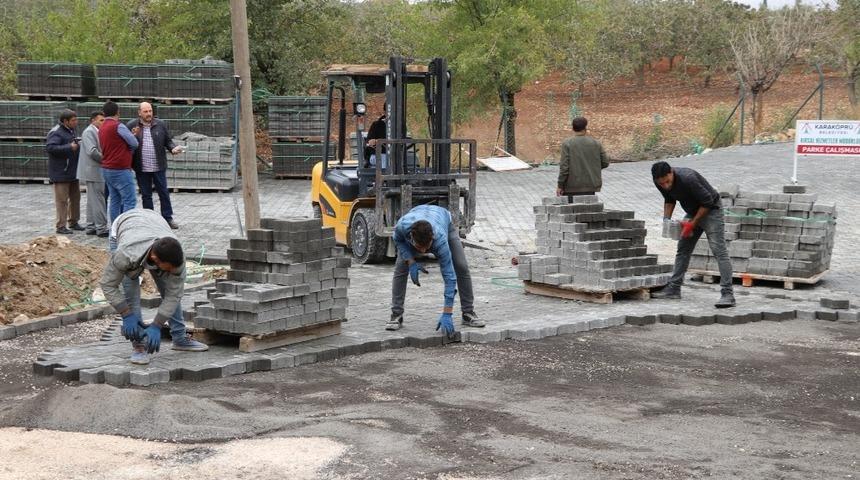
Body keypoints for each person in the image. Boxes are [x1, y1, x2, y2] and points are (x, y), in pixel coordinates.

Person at [100, 209, 208, 365]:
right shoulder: (125, 254)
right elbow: (108, 284)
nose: (171, 272)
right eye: (168, 268)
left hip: (153, 221)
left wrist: (157, 324)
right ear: (155, 259)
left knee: (170, 290)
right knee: (131, 294)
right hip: (124, 228)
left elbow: (173, 295)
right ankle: (139, 345)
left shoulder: (176, 256)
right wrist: (126, 313)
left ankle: (180, 338)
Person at [386, 204, 485, 337]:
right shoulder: (402, 227)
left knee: (461, 266)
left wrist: (447, 312)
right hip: (417, 214)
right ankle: (396, 314)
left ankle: (468, 312)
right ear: (411, 237)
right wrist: (410, 261)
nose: (423, 251)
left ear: (432, 238)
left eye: (427, 247)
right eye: (419, 247)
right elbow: (397, 239)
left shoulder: (440, 240)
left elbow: (449, 277)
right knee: (400, 268)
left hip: (443, 219)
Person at [650, 161, 735, 308]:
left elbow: (708, 202)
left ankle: (728, 294)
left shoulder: (688, 178)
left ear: (671, 172)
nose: (666, 186)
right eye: (662, 184)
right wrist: (666, 220)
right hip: (693, 211)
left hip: (712, 210)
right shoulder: (659, 181)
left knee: (719, 251)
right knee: (683, 249)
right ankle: (674, 288)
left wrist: (692, 224)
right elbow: (669, 199)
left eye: (667, 181)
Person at [128, 102, 183, 229]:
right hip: (141, 167)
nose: (149, 114)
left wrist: (173, 148)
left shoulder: (160, 124)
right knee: (146, 195)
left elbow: (168, 141)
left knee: (163, 192)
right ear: (139, 113)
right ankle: (150, 220)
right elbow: (126, 143)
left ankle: (167, 218)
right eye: (146, 111)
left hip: (158, 166)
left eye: (150, 111)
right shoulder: (132, 125)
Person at [99, 100, 138, 224]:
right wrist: (132, 137)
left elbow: (114, 143)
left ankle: (114, 228)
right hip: (120, 168)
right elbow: (134, 143)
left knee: (115, 200)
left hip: (107, 168)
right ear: (117, 112)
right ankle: (125, 227)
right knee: (130, 200)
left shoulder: (102, 127)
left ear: (104, 113)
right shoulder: (118, 126)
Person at [45, 109, 83, 235]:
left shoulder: (71, 130)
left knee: (75, 198)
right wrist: (69, 147)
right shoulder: (56, 132)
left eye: (76, 119)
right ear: (65, 121)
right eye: (73, 120)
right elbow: (50, 147)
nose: (76, 122)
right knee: (62, 200)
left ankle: (73, 221)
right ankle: (61, 225)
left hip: (73, 171)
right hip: (61, 173)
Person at [556, 117, 609, 200]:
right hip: (590, 186)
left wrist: (560, 185)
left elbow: (564, 168)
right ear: (585, 128)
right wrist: (592, 168)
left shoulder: (567, 143)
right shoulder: (596, 143)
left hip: (571, 186)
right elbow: (605, 162)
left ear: (573, 128)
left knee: (571, 207)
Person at [77, 111, 109, 237]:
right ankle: (101, 228)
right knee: (99, 200)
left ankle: (91, 226)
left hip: (93, 170)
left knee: (92, 200)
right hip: (94, 171)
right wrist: (107, 159)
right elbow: (92, 151)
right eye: (101, 120)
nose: (103, 122)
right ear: (93, 120)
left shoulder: (95, 131)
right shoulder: (89, 132)